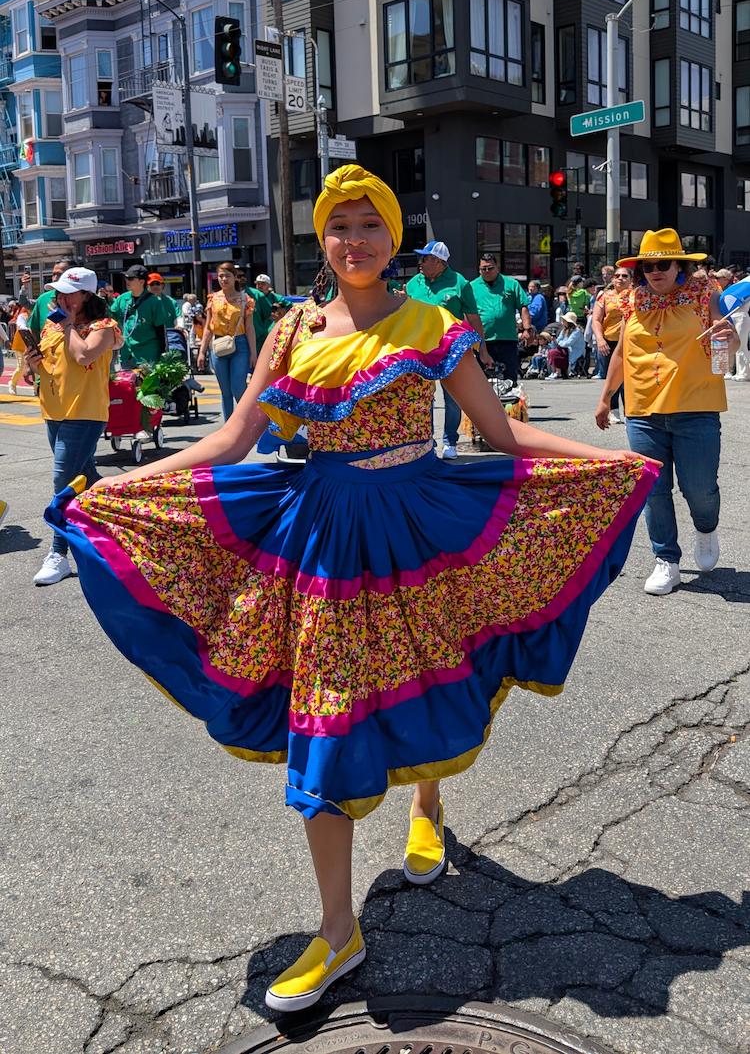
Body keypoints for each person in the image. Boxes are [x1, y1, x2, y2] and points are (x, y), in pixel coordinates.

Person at [46, 165, 657, 1011]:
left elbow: (499, 429)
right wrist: (122, 485)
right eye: (340, 225)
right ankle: (339, 928)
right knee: (326, 716)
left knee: (435, 674)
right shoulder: (293, 328)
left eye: (371, 224)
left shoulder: (430, 320)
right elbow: (231, 438)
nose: (355, 240)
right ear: (322, 239)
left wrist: (614, 461)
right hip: (323, 536)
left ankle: (428, 804)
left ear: (394, 236)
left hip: (419, 529)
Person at [595, 228, 739, 596]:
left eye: (663, 263)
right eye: (648, 265)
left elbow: (730, 340)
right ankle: (666, 560)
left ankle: (706, 530)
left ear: (679, 267)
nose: (655, 270)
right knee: (652, 490)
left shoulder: (705, 294)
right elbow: (622, 353)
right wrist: (606, 396)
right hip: (643, 410)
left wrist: (728, 335)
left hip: (696, 406)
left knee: (700, 490)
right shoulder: (632, 300)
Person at [26, 267, 122, 585]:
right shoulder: (55, 324)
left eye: (69, 292)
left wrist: (68, 326)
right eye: (60, 292)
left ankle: (59, 554)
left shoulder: (104, 326)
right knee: (87, 479)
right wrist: (32, 363)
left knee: (61, 482)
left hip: (85, 411)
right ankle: (120, 527)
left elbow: (83, 357)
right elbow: (50, 367)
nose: (62, 297)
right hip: (53, 410)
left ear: (87, 295)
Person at [406, 241, 488, 459]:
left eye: (425, 258)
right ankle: (426, 442)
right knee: (422, 398)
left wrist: (483, 349)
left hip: (450, 350)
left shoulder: (460, 283)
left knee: (452, 398)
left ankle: (449, 441)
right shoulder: (413, 283)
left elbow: (473, 318)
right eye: (421, 258)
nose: (420, 263)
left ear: (440, 262)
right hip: (419, 350)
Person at [197, 262, 256, 420]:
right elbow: (208, 327)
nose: (223, 279)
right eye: (221, 276)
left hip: (240, 344)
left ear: (235, 278)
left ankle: (245, 423)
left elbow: (249, 328)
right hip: (218, 345)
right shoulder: (213, 299)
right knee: (225, 391)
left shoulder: (245, 299)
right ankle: (228, 426)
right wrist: (202, 352)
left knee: (238, 387)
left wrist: (253, 354)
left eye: (227, 276)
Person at [469, 253, 528, 385]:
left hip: (507, 339)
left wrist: (527, 329)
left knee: (509, 377)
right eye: (483, 269)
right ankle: (484, 405)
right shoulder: (471, 287)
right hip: (482, 341)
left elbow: (523, 306)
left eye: (490, 268)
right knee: (481, 380)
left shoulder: (511, 284)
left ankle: (510, 404)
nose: (486, 271)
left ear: (497, 268)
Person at [592, 267, 631, 421]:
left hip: (630, 342)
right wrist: (600, 339)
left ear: (631, 279)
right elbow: (596, 320)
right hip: (610, 341)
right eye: (617, 275)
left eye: (624, 275)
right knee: (612, 376)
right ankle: (613, 410)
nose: (620, 278)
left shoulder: (637, 295)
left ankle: (630, 412)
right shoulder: (605, 296)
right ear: (612, 279)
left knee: (629, 378)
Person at [110, 265, 167, 369]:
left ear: (142, 281)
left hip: (147, 355)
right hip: (127, 354)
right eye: (126, 278)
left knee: (148, 385)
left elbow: (160, 330)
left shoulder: (154, 302)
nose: (127, 281)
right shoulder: (122, 298)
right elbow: (109, 316)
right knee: (127, 385)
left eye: (131, 278)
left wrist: (163, 354)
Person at [251, 273, 292, 353]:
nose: (259, 286)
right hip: (257, 333)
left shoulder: (275, 297)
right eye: (258, 284)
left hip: (271, 331)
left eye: (263, 284)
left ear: (268, 285)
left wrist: (280, 309)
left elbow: (290, 306)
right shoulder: (252, 297)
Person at [547, 311, 584, 379]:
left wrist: (558, 342)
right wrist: (556, 341)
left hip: (573, 352)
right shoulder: (564, 330)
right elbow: (559, 340)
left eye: (565, 320)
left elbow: (568, 343)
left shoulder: (577, 331)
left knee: (554, 353)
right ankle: (554, 371)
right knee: (551, 351)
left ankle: (557, 373)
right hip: (565, 350)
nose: (563, 322)